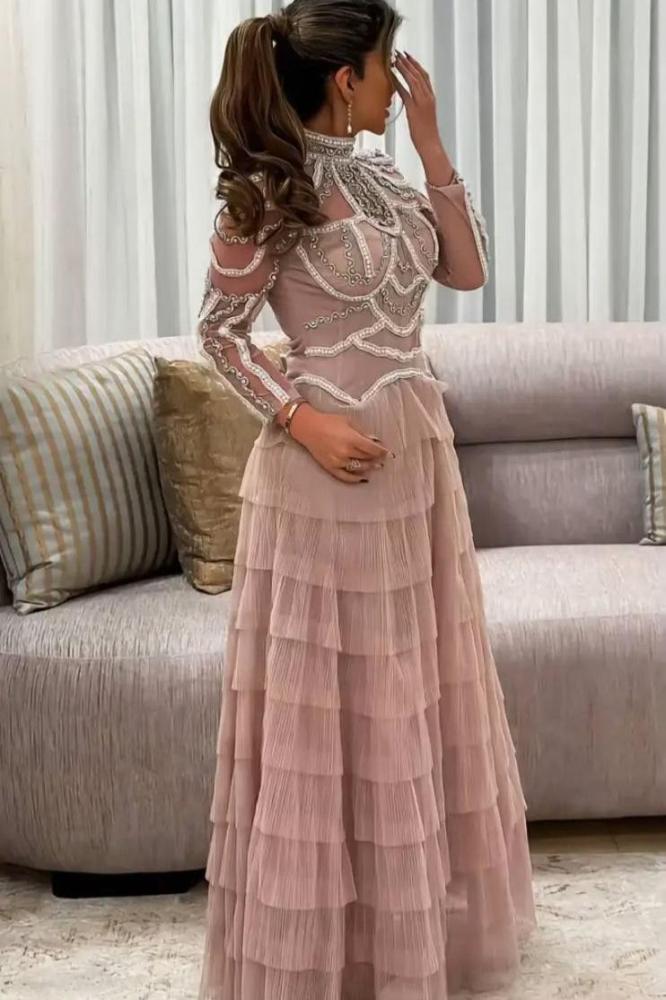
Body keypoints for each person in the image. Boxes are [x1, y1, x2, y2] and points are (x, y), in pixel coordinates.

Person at [196, 1, 537, 997]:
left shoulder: (386, 177)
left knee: (409, 699)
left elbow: (467, 271)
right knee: (329, 719)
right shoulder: (268, 191)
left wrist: (430, 145)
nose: (401, 81)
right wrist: (300, 418)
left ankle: (403, 935)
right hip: (322, 481)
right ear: (347, 78)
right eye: (391, 66)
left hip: (416, 466)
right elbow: (218, 333)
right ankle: (325, 955)